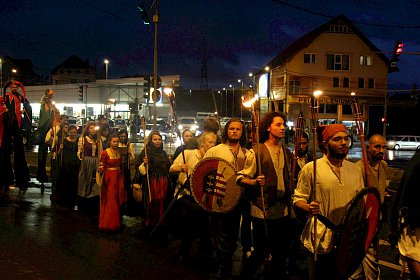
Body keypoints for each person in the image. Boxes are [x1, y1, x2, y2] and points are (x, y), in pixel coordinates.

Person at [293, 124, 364, 279]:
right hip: (320, 237)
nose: (344, 143)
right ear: (325, 143)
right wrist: (308, 207)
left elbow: (361, 203)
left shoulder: (355, 169)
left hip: (347, 238)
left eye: (346, 139)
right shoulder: (311, 168)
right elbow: (298, 198)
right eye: (337, 139)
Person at [239, 112, 293, 279]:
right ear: (268, 127)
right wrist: (254, 182)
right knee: (261, 250)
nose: (283, 127)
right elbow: (240, 178)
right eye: (278, 124)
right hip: (262, 208)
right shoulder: (256, 151)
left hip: (282, 209)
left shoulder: (286, 151)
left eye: (283, 124)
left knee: (280, 251)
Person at [203, 118, 255, 279]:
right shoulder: (216, 150)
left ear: (242, 132)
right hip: (220, 199)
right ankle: (223, 268)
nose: (234, 131)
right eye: (231, 128)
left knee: (233, 237)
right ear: (226, 131)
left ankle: (229, 264)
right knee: (221, 236)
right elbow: (205, 172)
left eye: (238, 129)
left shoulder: (248, 153)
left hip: (241, 200)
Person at [169, 132, 217, 261]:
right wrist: (181, 167)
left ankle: (203, 251)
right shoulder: (188, 154)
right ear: (203, 143)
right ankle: (184, 250)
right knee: (191, 219)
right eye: (210, 142)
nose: (213, 145)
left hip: (201, 197)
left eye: (214, 143)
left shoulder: (211, 159)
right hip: (185, 195)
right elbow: (172, 169)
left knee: (203, 221)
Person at [350, 134, 388, 279]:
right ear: (368, 148)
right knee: (371, 259)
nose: (381, 150)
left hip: (377, 220)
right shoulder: (359, 168)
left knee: (361, 259)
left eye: (384, 147)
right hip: (364, 222)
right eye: (377, 146)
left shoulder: (383, 166)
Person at [390, 149, 420, 279]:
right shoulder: (417, 161)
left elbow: (405, 193)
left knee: (413, 254)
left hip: (413, 221)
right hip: (414, 221)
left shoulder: (417, 161)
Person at [137, 131, 171, 238]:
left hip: (163, 182)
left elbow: (168, 168)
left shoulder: (164, 153)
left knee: (162, 202)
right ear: (151, 140)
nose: (157, 142)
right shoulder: (147, 152)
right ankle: (149, 224)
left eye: (159, 139)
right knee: (152, 202)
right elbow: (139, 167)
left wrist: (170, 161)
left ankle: (160, 222)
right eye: (155, 139)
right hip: (152, 181)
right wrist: (144, 163)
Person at [3, 81, 31, 189]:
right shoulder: (6, 97)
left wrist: (24, 110)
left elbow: (27, 105)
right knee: (6, 151)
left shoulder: (20, 97)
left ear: (18, 88)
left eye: (16, 87)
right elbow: (0, 103)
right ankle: (6, 179)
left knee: (19, 151)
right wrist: (4, 109)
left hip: (17, 126)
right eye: (13, 87)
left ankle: (20, 179)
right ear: (10, 87)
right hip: (8, 124)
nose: (14, 88)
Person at [97, 134, 126, 231]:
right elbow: (102, 164)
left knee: (118, 198)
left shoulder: (119, 152)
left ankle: (117, 222)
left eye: (117, 142)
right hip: (109, 178)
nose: (116, 143)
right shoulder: (105, 152)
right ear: (110, 142)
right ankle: (108, 223)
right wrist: (100, 170)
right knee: (111, 199)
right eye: (114, 141)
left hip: (118, 177)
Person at [77, 121, 102, 212]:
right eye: (91, 128)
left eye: (94, 128)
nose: (93, 130)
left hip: (95, 161)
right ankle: (84, 198)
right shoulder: (83, 139)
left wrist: (100, 163)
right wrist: (81, 152)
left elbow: (100, 153)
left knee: (94, 180)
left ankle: (93, 198)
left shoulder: (98, 140)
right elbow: (79, 153)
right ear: (87, 129)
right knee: (85, 179)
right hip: (86, 161)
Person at [55, 124, 80, 208]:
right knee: (65, 181)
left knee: (73, 182)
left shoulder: (78, 142)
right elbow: (59, 154)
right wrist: (60, 149)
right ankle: (63, 199)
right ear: (68, 132)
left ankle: (72, 199)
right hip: (65, 165)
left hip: (74, 165)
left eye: (74, 132)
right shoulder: (64, 141)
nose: (73, 134)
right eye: (71, 132)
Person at [37, 89, 58, 185]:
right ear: (46, 96)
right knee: (42, 154)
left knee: (54, 152)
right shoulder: (43, 105)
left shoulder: (53, 106)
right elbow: (44, 118)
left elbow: (56, 116)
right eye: (50, 95)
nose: (51, 97)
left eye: (52, 95)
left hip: (51, 131)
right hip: (43, 131)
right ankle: (41, 175)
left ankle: (54, 174)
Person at [117, 129, 135, 215]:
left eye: (124, 136)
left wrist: (129, 155)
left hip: (126, 167)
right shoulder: (116, 143)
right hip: (117, 167)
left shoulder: (129, 145)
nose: (123, 138)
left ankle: (127, 202)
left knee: (126, 185)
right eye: (121, 136)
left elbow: (132, 157)